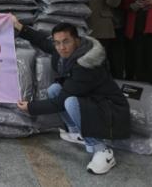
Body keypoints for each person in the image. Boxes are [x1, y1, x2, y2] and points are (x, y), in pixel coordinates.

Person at [14, 20, 130, 175]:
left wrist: (30, 107)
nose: (61, 47)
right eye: (57, 43)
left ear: (76, 39)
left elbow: (59, 103)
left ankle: (102, 149)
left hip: (111, 110)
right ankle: (77, 133)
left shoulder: (86, 65)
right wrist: (20, 26)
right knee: (55, 89)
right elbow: (43, 41)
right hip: (93, 101)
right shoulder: (66, 51)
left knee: (69, 102)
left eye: (66, 41)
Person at [66, 0, 125, 78]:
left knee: (99, 61)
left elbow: (113, 3)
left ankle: (100, 86)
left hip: (100, 26)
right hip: (77, 26)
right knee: (79, 60)